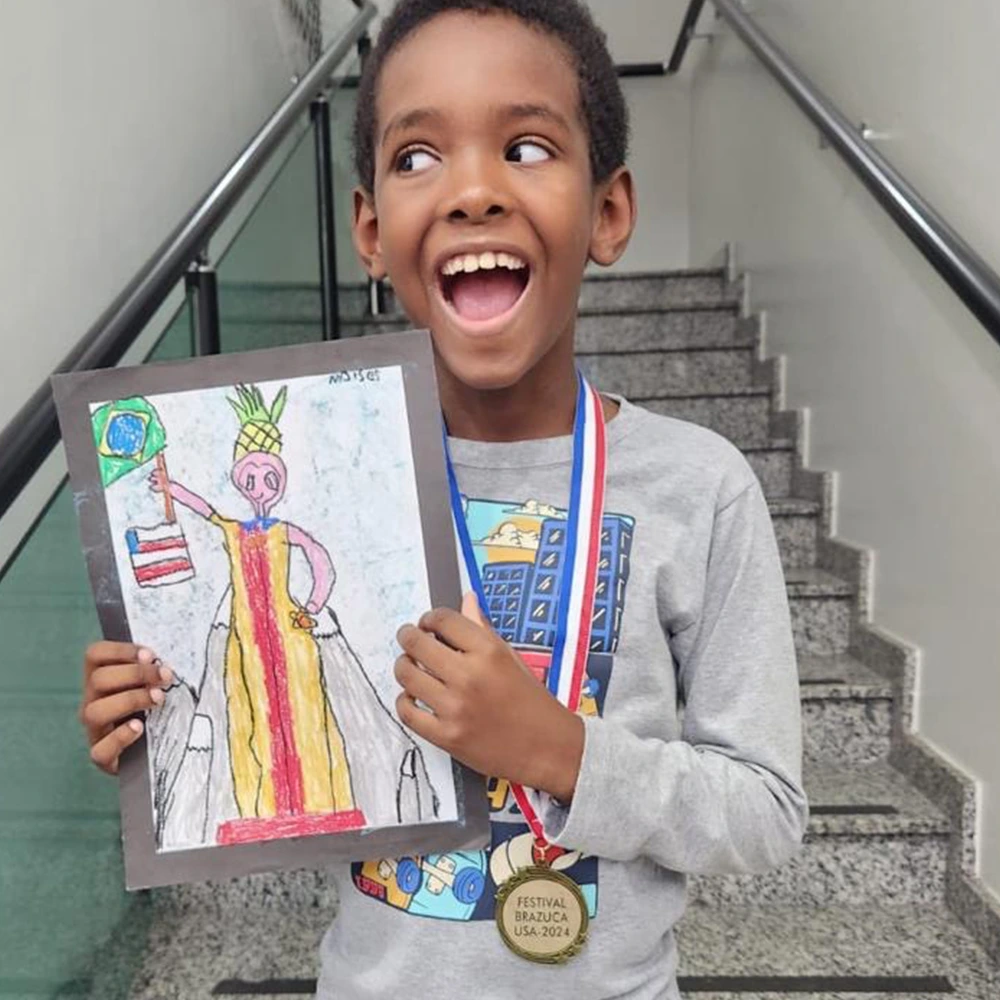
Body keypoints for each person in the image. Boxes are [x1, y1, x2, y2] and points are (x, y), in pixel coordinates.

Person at [79, 1, 808, 997]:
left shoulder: (700, 486)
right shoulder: (338, 481)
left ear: (607, 212)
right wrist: (158, 722)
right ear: (370, 231)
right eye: (418, 157)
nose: (472, 192)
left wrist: (559, 751)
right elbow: (289, 752)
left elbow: (764, 810)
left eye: (526, 147)